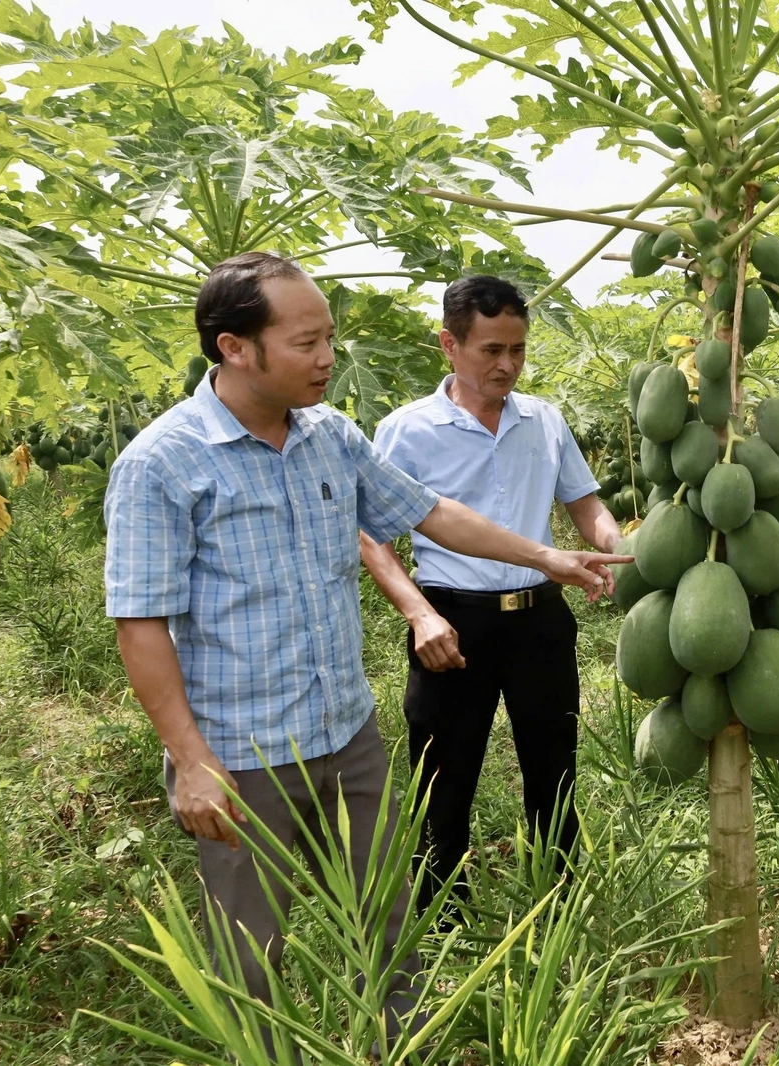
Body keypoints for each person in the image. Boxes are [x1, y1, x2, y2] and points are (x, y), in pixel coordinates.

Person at [104, 252, 629, 1042]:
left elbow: (428, 512)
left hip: (347, 734)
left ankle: (398, 1050)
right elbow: (140, 623)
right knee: (251, 955)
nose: (328, 359)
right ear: (235, 348)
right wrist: (190, 758)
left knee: (388, 928)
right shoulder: (162, 463)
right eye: (307, 343)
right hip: (241, 751)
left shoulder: (330, 437)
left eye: (330, 339)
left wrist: (550, 558)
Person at [360, 275, 621, 912]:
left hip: (540, 617)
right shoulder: (407, 431)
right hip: (453, 620)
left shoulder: (544, 421)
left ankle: (562, 899)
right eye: (490, 350)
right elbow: (372, 537)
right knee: (443, 774)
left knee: (553, 766)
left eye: (518, 350)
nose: (507, 365)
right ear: (449, 344)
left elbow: (584, 504)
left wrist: (612, 545)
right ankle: (441, 913)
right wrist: (418, 614)